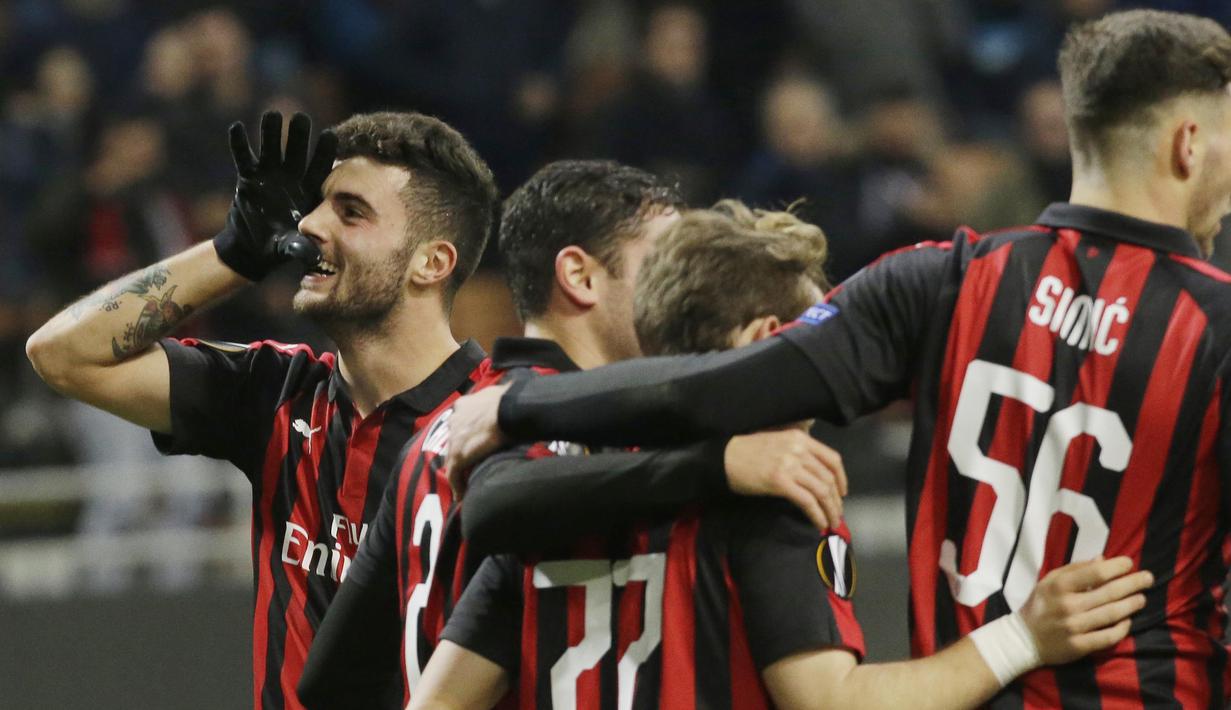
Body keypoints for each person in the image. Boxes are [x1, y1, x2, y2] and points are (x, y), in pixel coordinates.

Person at [446, 10, 1231, 707]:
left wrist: (517, 404)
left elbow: (710, 392)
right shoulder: (1214, 325)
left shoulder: (941, 279)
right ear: (1187, 144)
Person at [415, 205, 1151, 709]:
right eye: (818, 336)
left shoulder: (569, 493)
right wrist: (1021, 636)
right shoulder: (779, 489)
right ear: (767, 337)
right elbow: (831, 702)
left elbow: (440, 700)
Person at [297, 163, 849, 709]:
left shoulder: (436, 435)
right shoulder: (598, 454)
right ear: (580, 276)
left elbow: (332, 681)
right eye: (663, 263)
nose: (687, 282)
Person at [26, 109, 500, 709]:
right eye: (317, 206)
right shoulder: (277, 391)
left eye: (351, 212)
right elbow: (64, 354)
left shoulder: (492, 430)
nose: (310, 227)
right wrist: (233, 254)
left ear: (432, 262)